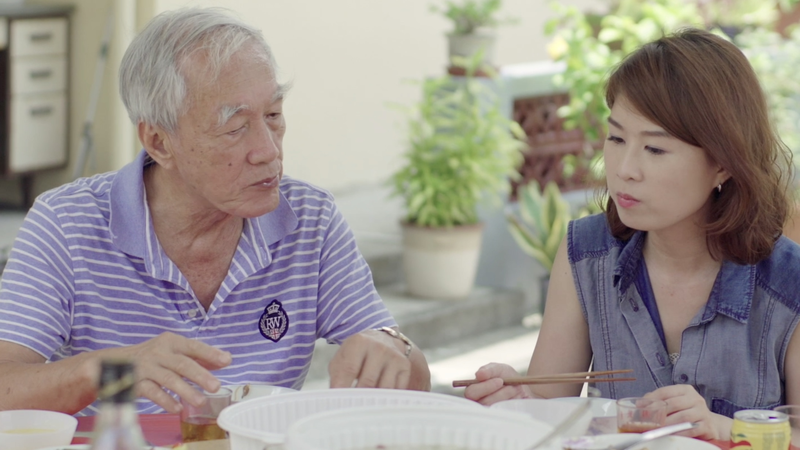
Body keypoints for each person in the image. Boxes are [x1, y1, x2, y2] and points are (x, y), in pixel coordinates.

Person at [0, 7, 430, 417]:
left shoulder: (310, 219)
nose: (268, 150)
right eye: (235, 128)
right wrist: (108, 370)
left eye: (275, 115)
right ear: (159, 142)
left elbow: (410, 377)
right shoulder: (66, 224)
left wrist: (392, 347)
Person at [465, 28, 800, 441]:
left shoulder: (789, 284)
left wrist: (723, 427)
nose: (624, 168)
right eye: (616, 138)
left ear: (723, 164)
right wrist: (517, 398)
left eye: (655, 149)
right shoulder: (585, 256)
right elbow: (550, 407)